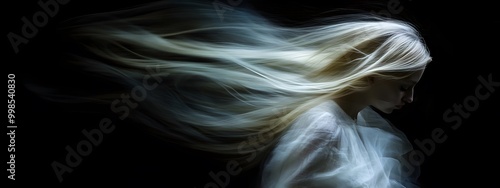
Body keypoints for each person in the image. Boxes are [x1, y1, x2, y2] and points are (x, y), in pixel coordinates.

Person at [37, 0, 432, 187]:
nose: (410, 101)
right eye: (403, 87)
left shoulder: (363, 128)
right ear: (370, 74)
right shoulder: (322, 125)